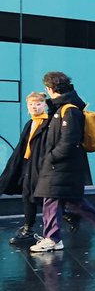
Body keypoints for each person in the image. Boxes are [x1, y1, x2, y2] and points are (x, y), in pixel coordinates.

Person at [30, 71, 95, 252]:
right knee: (72, 202)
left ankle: (52, 238)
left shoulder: (69, 110)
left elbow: (69, 141)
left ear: (50, 88)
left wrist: (51, 157)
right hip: (62, 165)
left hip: (62, 166)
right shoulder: (62, 108)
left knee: (51, 200)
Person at [1, 91, 51, 247]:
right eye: (31, 104)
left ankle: (69, 214)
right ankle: (28, 227)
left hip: (40, 165)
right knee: (28, 194)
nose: (34, 107)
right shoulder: (30, 123)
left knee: (40, 197)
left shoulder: (48, 123)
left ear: (44, 105)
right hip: (27, 164)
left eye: (38, 104)